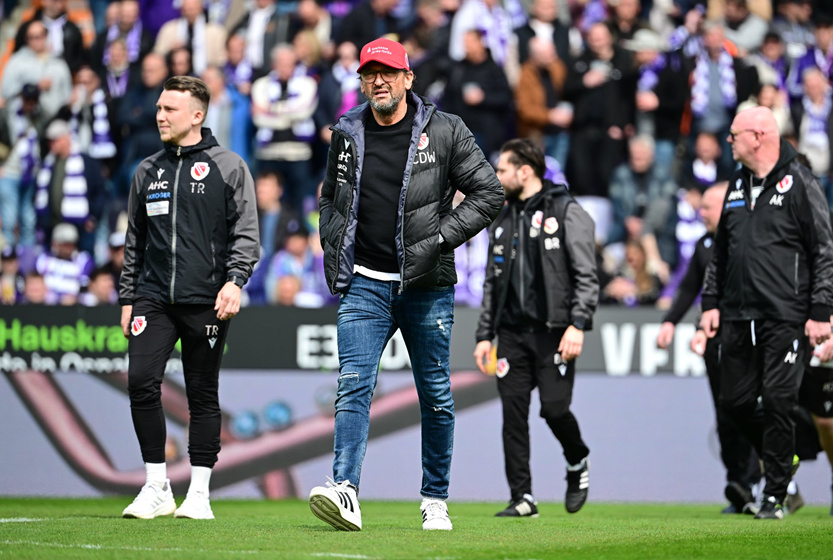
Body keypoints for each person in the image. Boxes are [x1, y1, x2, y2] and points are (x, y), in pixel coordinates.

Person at [308, 38, 504, 532]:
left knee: (435, 395)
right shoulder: (346, 131)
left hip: (425, 284)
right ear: (361, 81)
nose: (379, 81)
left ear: (408, 78)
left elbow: (489, 192)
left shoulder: (445, 129)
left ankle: (434, 499)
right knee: (353, 385)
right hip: (363, 283)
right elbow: (330, 198)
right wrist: (333, 236)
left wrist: (439, 238)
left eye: (388, 72)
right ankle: (345, 490)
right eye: (369, 73)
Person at [119, 75, 259, 520]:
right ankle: (156, 486)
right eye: (159, 108)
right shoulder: (146, 170)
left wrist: (235, 281)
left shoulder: (229, 166)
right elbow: (134, 240)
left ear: (197, 115)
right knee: (141, 381)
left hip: (208, 299)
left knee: (202, 393)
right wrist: (128, 296)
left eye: (170, 109)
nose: (160, 116)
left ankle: (199, 494)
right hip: (152, 297)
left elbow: (246, 234)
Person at [700, 106, 833, 519]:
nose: (728, 140)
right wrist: (710, 303)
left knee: (778, 400)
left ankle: (774, 496)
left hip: (785, 314)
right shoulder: (737, 183)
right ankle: (782, 458)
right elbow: (721, 252)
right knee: (734, 402)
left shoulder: (801, 182)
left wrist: (821, 310)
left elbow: (824, 250)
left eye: (734, 133)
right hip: (739, 314)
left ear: (758, 137)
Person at [473, 138, 597, 517]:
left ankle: (577, 459)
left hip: (554, 332)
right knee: (513, 416)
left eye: (502, 170)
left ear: (524, 171)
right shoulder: (502, 218)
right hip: (511, 334)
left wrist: (577, 324)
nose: (497, 176)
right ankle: (522, 497)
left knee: (555, 410)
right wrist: (484, 335)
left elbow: (586, 274)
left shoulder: (566, 210)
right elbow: (492, 283)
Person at [656, 182, 762, 514]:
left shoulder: (748, 239)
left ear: (727, 206)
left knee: (744, 408)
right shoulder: (705, 243)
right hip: (715, 335)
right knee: (724, 412)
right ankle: (739, 486)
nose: (700, 213)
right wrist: (670, 321)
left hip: (745, 334)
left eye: (707, 207)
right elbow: (690, 286)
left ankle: (761, 480)